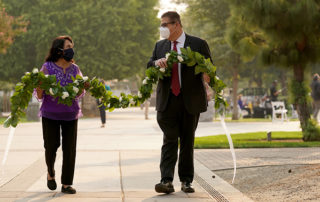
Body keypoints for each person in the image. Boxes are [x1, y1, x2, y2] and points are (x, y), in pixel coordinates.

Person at [147, 11, 212, 194]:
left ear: (176, 25)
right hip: (167, 101)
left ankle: (186, 181)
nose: (162, 28)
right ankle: (166, 180)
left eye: (165, 24)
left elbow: (208, 68)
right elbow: (149, 65)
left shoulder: (198, 44)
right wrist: (156, 64)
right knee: (169, 138)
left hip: (190, 101)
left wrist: (208, 78)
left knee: (187, 140)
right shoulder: (160, 46)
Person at [35, 36, 85, 194]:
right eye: (68, 46)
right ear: (59, 50)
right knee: (51, 147)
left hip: (71, 114)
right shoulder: (47, 67)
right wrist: (40, 86)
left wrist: (84, 86)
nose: (71, 49)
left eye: (72, 46)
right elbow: (40, 95)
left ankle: (67, 183)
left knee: (70, 149)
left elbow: (79, 93)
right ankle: (50, 173)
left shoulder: (75, 69)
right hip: (50, 114)